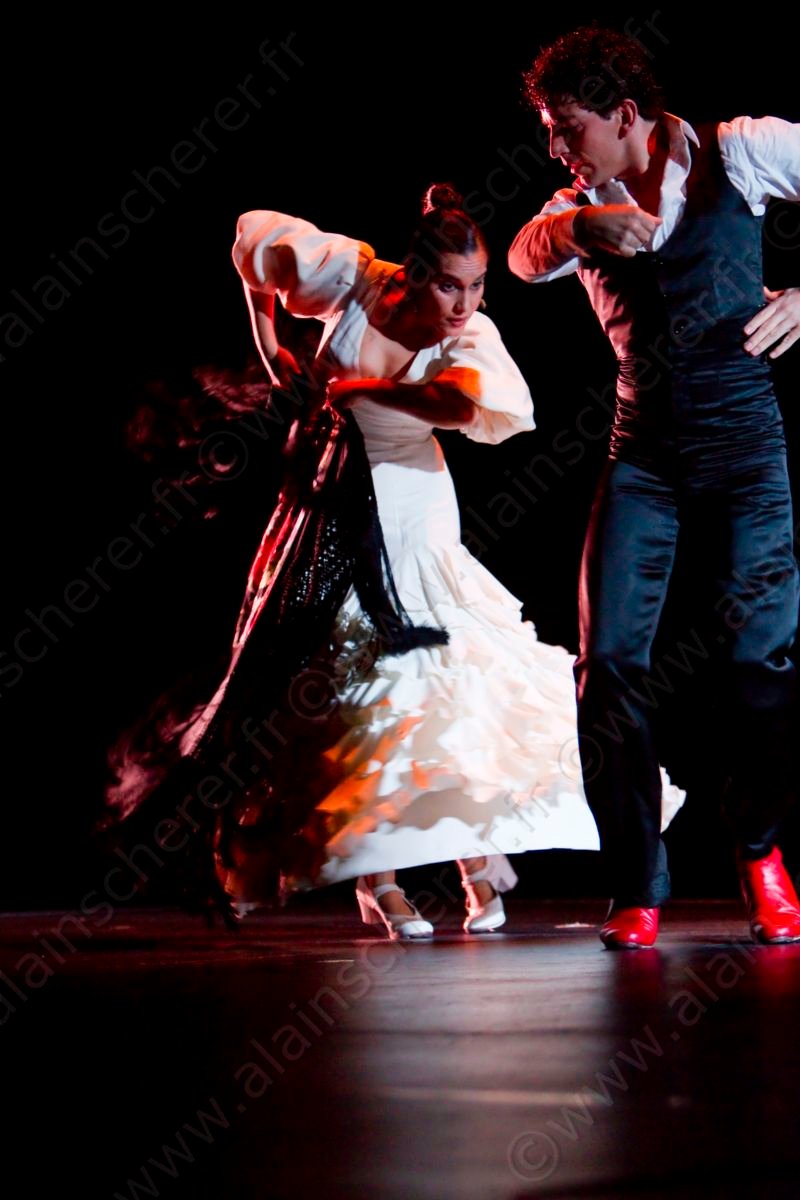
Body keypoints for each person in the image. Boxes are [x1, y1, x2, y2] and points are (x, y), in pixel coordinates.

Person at [106, 184, 684, 938]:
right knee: (351, 683)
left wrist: (362, 388)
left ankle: (472, 853)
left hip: (410, 505)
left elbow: (461, 405)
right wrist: (272, 345)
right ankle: (379, 879)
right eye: (448, 286)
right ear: (413, 274)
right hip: (323, 498)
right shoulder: (356, 279)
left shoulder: (469, 337)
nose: (463, 303)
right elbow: (255, 247)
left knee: (436, 675)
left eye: (475, 286)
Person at [508, 25, 800, 949]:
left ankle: (759, 849)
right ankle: (636, 882)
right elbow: (519, 258)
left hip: (746, 449)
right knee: (608, 667)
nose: (558, 148)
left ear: (625, 114)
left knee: (760, 663)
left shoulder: (740, 151)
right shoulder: (576, 204)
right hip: (644, 458)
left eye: (568, 128)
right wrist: (574, 226)